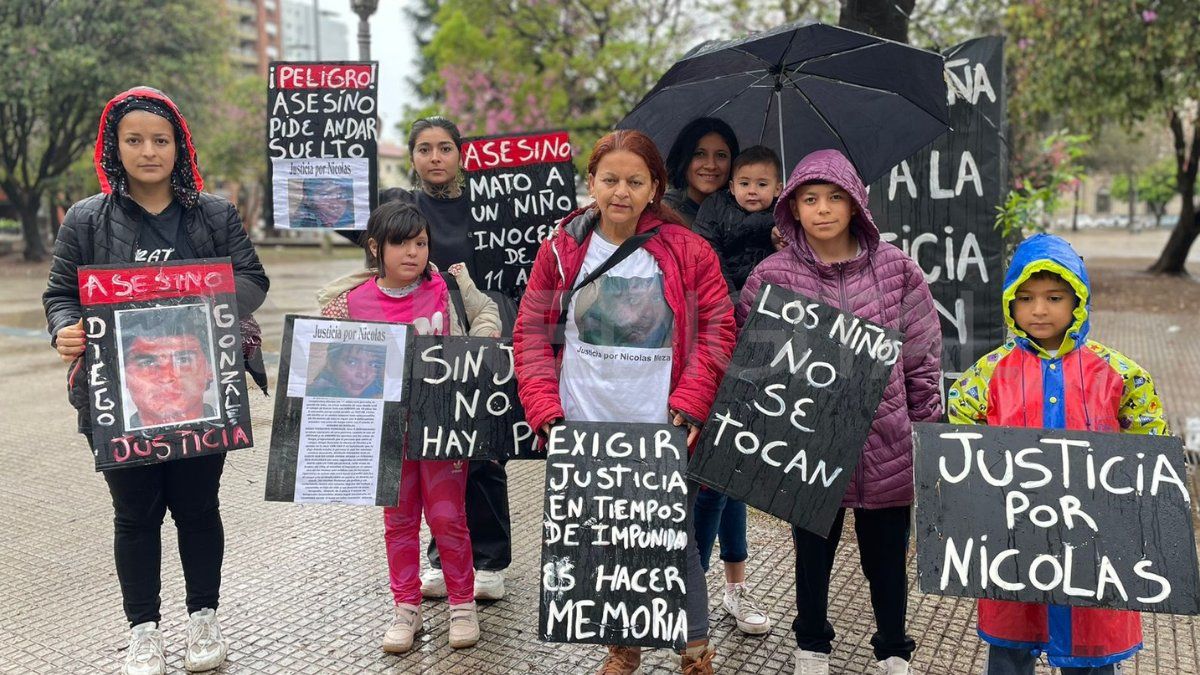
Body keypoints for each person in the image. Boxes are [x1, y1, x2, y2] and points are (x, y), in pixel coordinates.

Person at [43, 86, 270, 675]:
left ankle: (204, 619)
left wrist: (202, 297)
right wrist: (66, 328)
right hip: (121, 401)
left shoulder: (214, 214)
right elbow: (61, 294)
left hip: (203, 393)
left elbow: (252, 277)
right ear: (114, 147)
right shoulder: (87, 219)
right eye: (135, 139)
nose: (149, 151)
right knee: (135, 515)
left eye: (161, 140)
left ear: (180, 146)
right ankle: (143, 630)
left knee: (198, 508)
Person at [513, 129, 736, 675]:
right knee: (605, 537)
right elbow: (531, 332)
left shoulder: (688, 250)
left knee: (672, 535)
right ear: (590, 181)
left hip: (662, 423)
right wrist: (545, 409)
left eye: (635, 181)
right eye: (609, 179)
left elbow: (717, 329)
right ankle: (623, 647)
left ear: (655, 186)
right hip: (583, 422)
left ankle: (695, 650)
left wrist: (691, 403)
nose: (620, 191)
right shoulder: (561, 248)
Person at [738, 149, 942, 675]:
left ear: (857, 205)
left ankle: (894, 650)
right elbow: (750, 362)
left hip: (888, 440)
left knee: (887, 557)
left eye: (835, 198)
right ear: (792, 207)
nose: (823, 209)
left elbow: (922, 356)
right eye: (810, 199)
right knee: (811, 551)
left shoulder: (898, 270)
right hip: (806, 442)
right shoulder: (769, 276)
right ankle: (811, 645)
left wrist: (926, 430)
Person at [947, 233, 1168, 675]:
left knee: (1091, 651)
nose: (1040, 309)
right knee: (1011, 646)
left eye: (1054, 297)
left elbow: (1151, 444)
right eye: (1025, 298)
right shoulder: (987, 373)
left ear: (1078, 301)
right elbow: (959, 439)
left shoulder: (1120, 373)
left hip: (1093, 546)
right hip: (1012, 543)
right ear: (1010, 303)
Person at [318, 200, 500, 654]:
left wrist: (477, 351)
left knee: (448, 517)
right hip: (385, 436)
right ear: (377, 248)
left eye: (420, 243)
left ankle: (462, 602)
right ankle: (406, 606)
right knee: (398, 522)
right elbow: (322, 366)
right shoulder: (349, 304)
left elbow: (475, 330)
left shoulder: (442, 287)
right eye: (401, 243)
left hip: (440, 430)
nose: (413, 253)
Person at [392, 116, 514, 602]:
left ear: (461, 154)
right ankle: (443, 555)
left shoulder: (488, 202)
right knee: (437, 448)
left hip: (485, 331)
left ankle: (490, 558)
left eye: (445, 148)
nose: (435, 157)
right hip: (425, 337)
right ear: (413, 156)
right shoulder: (400, 206)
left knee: (482, 448)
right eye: (425, 149)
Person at [687, 144, 788, 636]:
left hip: (766, 344)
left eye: (721, 154)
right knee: (715, 477)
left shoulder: (785, 219)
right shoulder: (703, 214)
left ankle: (729, 587)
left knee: (734, 473)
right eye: (744, 182)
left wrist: (786, 240)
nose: (751, 190)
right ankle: (691, 589)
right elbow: (703, 268)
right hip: (714, 339)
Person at [120, 306, 218, 429]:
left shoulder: (224, 429)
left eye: (183, 360)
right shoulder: (112, 436)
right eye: (147, 363)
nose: (166, 377)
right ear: (123, 375)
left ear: (210, 368)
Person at [662, 117, 739, 227]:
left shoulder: (740, 214)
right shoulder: (663, 216)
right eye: (700, 154)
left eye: (721, 155)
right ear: (683, 158)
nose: (711, 165)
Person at [307, 343, 386, 399]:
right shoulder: (319, 393)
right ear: (331, 363)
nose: (363, 374)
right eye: (352, 362)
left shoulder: (375, 389)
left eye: (373, 364)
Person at [290, 177, 357, 229]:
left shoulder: (355, 222)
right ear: (307, 199)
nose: (334, 206)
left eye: (340, 196)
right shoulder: (300, 223)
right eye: (325, 195)